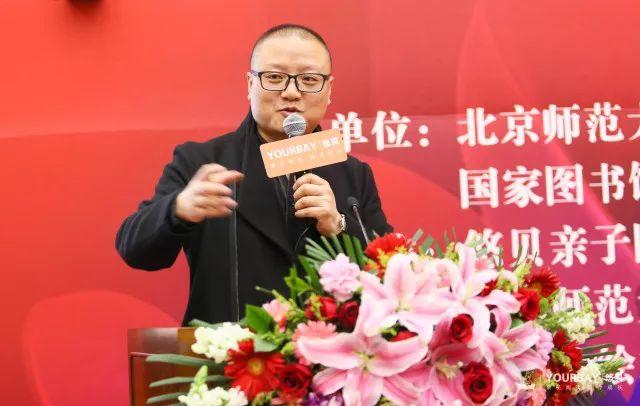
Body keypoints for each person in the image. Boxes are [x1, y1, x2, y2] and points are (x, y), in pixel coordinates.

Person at [115, 24, 392, 325]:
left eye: (309, 80)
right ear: (250, 84)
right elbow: (136, 251)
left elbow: (387, 272)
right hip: (229, 349)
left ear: (329, 91)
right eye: (274, 77)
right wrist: (177, 209)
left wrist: (338, 226)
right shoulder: (202, 161)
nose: (291, 92)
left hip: (324, 348)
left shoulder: (352, 174)